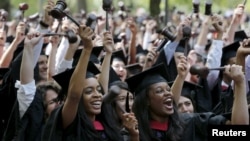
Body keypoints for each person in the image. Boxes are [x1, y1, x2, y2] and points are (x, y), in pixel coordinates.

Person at [126, 58, 249, 141]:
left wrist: (240, 83)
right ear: (146, 100)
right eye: (159, 91)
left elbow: (238, 131)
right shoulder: (134, 131)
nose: (168, 94)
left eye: (168, 90)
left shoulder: (191, 123)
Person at [42, 26, 124, 141]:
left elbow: (103, 88)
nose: (97, 95)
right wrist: (87, 48)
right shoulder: (70, 121)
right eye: (88, 91)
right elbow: (74, 96)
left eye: (98, 91)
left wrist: (108, 53)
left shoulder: (105, 125)